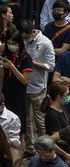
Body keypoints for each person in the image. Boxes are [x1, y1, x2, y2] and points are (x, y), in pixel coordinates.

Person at [21, 20, 57, 152]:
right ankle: (31, 149)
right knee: (27, 121)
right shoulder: (22, 40)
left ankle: (45, 147)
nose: (24, 39)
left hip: (38, 88)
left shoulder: (46, 43)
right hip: (23, 86)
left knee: (40, 121)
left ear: (32, 32)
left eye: (26, 36)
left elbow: (51, 66)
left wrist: (33, 63)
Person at [0, 30, 34, 142]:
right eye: (9, 43)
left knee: (19, 127)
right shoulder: (7, 54)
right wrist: (2, 65)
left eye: (13, 44)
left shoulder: (26, 57)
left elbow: (24, 80)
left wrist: (12, 66)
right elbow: (2, 77)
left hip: (19, 96)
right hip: (6, 93)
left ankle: (20, 151)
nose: (11, 46)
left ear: (19, 43)